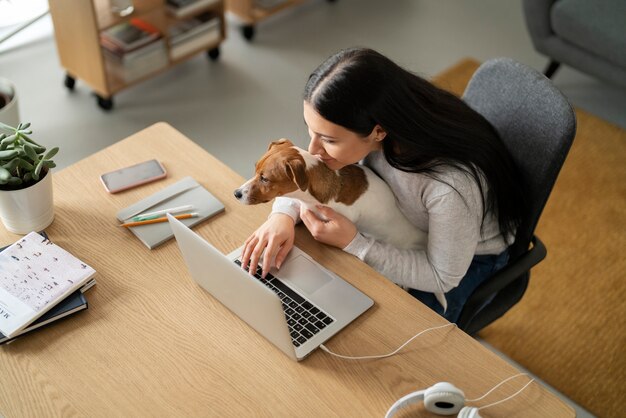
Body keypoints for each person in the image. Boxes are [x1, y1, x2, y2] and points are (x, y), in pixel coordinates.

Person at [240, 47, 526, 323]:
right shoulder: (382, 127)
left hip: (462, 262)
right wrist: (282, 215)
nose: (313, 149)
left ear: (378, 131)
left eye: (328, 140)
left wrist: (356, 243)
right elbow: (309, 172)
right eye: (310, 131)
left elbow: (442, 276)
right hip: (402, 230)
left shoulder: (449, 187)